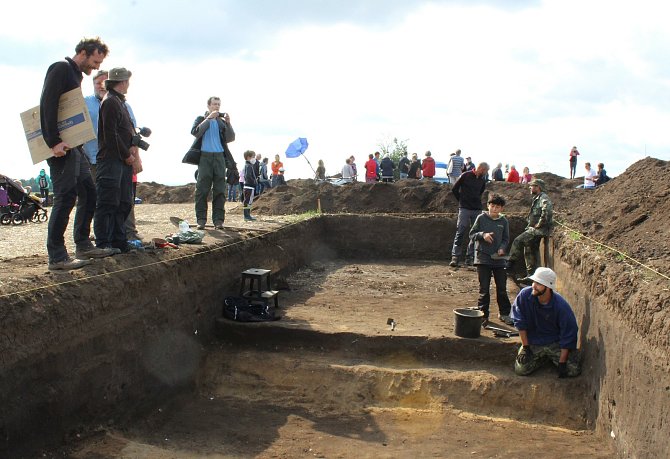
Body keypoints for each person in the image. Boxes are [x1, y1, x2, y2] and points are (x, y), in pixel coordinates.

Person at [40, 37, 115, 270]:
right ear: (83, 52)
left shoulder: (76, 76)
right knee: (65, 197)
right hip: (60, 147)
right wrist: (53, 142)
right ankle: (58, 257)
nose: (96, 67)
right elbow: (47, 103)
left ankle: (83, 244)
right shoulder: (61, 69)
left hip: (75, 147)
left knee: (89, 192)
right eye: (95, 61)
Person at [94, 67, 141, 252]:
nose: (129, 84)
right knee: (107, 202)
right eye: (127, 81)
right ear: (122, 82)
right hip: (111, 161)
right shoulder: (111, 102)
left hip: (119, 162)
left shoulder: (118, 102)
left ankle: (118, 240)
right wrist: (127, 154)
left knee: (123, 202)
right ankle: (104, 242)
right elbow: (110, 134)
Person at [510, 267, 581, 378]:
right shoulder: (524, 296)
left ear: (548, 287)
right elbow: (520, 322)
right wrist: (525, 347)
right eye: (534, 282)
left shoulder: (561, 307)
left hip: (554, 342)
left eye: (539, 283)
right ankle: (543, 358)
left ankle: (554, 357)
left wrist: (562, 363)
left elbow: (568, 334)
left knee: (572, 371)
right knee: (521, 370)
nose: (534, 285)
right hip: (533, 341)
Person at [190, 96, 237, 230]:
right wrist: (209, 118)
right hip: (205, 157)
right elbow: (195, 132)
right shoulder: (201, 119)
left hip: (219, 158)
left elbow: (230, 138)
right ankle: (201, 220)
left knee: (220, 190)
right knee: (202, 190)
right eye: (214, 104)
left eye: (218, 105)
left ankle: (218, 220)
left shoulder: (221, 123)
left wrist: (228, 123)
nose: (216, 107)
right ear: (208, 106)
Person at [469, 194, 512, 325]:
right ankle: (483, 315)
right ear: (488, 206)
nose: (493, 209)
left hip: (499, 259)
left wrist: (502, 248)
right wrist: (483, 235)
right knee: (484, 289)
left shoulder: (503, 221)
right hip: (483, 258)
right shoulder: (481, 218)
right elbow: (472, 234)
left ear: (501, 209)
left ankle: (504, 313)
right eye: (492, 206)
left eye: (497, 207)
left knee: (502, 288)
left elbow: (506, 239)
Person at [506, 179, 553, 281]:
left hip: (539, 230)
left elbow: (547, 211)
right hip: (534, 229)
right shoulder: (537, 198)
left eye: (532, 186)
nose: (530, 188)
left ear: (538, 187)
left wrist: (539, 224)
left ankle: (509, 265)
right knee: (528, 249)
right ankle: (530, 276)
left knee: (518, 240)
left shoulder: (543, 198)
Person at [449, 162, 490, 267]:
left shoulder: (482, 180)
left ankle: (470, 257)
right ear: (480, 168)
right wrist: (461, 201)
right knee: (460, 230)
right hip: (464, 208)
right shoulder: (465, 175)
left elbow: (480, 192)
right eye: (485, 171)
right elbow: (454, 189)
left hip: (476, 209)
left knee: (475, 233)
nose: (486, 173)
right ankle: (455, 257)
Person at [242, 150, 258, 221]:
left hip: (248, 186)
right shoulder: (248, 166)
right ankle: (246, 216)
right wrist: (254, 181)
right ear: (248, 157)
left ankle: (248, 215)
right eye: (253, 157)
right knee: (248, 201)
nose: (254, 158)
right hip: (249, 186)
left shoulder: (248, 165)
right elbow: (248, 176)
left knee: (248, 201)